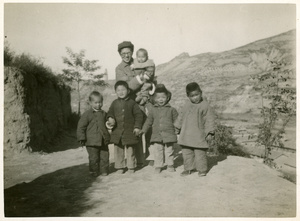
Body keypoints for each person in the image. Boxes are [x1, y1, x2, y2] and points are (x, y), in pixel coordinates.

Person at [115, 41, 154, 166]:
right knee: (134, 128)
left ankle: (151, 155)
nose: (126, 56)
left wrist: (146, 90)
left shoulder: (140, 61)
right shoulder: (119, 69)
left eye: (128, 53)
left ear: (133, 52)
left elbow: (151, 75)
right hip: (131, 102)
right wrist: (140, 78)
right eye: (123, 54)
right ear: (120, 55)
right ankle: (138, 158)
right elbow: (125, 87)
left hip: (145, 98)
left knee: (148, 126)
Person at [175, 82, 216, 177]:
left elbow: (210, 119)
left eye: (197, 94)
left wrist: (210, 132)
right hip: (186, 135)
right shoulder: (186, 105)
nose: (195, 97)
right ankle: (188, 169)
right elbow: (181, 116)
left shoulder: (205, 106)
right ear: (188, 96)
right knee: (187, 154)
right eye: (192, 96)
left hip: (199, 135)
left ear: (201, 93)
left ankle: (202, 169)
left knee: (200, 154)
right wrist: (177, 127)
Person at [107, 81, 143, 174]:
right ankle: (120, 167)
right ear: (115, 92)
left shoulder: (132, 103)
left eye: (123, 89)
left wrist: (137, 127)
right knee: (118, 149)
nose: (121, 92)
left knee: (131, 150)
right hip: (118, 131)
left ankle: (131, 166)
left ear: (128, 91)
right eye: (118, 90)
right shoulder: (114, 103)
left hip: (130, 131)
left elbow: (138, 115)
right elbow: (110, 112)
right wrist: (110, 118)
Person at [140, 84, 178, 173]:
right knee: (158, 151)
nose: (161, 99)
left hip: (169, 134)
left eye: (163, 97)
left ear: (167, 97)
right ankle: (158, 165)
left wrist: (178, 129)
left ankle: (170, 164)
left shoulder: (171, 110)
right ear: (154, 99)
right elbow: (148, 121)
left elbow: (177, 121)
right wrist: (143, 130)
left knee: (169, 151)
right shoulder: (153, 110)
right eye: (158, 97)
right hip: (157, 134)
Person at [77, 91, 110, 177]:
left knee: (104, 156)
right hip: (91, 141)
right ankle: (94, 171)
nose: (98, 104)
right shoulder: (87, 114)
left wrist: (110, 124)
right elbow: (81, 126)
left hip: (103, 140)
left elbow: (107, 123)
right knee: (94, 158)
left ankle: (104, 170)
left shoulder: (104, 114)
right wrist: (81, 138)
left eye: (100, 102)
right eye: (96, 102)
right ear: (91, 103)